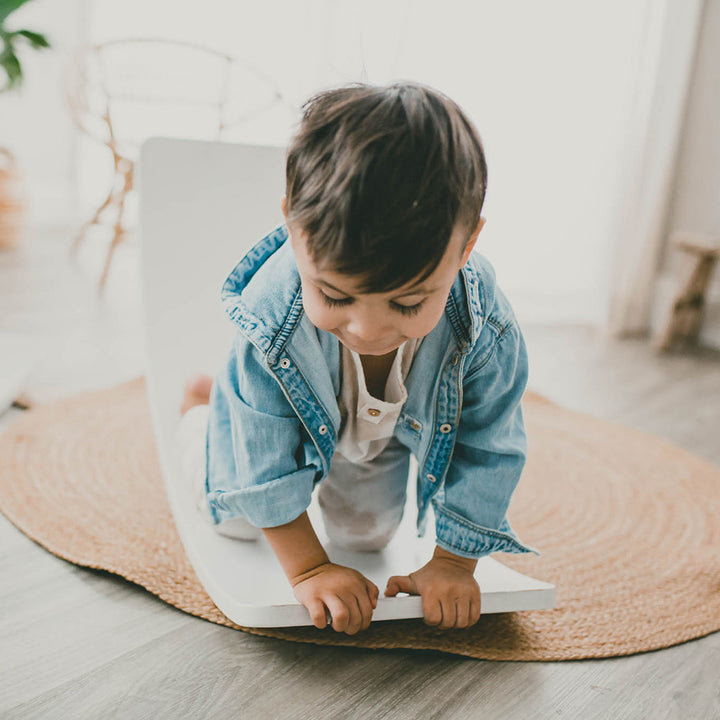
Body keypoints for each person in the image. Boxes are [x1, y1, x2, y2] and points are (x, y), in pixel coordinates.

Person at [177, 81, 540, 637]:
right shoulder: (271, 317)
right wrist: (309, 568)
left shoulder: (483, 323)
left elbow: (490, 443)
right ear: (296, 235)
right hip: (271, 424)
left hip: (383, 430)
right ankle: (202, 414)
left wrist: (453, 562)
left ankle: (319, 467)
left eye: (410, 302)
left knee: (364, 538)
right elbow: (263, 468)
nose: (368, 329)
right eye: (336, 297)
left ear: (466, 247)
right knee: (239, 522)